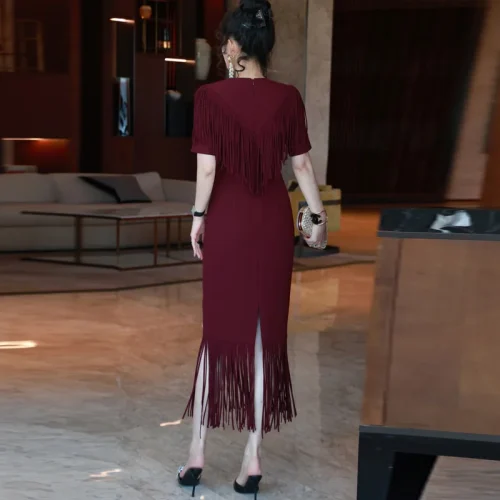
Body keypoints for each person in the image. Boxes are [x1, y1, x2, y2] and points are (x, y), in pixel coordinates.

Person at [178, 0, 327, 497]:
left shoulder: (210, 97)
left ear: (236, 45)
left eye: (225, 41)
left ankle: (196, 451)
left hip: (229, 223)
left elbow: (207, 169)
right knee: (264, 338)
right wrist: (317, 219)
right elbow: (301, 166)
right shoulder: (288, 98)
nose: (224, 49)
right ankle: (253, 457)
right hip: (271, 225)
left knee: (217, 334)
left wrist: (197, 218)